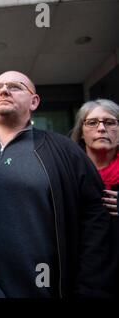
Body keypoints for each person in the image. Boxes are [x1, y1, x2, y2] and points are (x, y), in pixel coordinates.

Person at [0, 71, 112, 298]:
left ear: (34, 101)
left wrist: (89, 289)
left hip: (43, 288)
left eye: (15, 86)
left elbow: (95, 220)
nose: (4, 91)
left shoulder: (65, 150)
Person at [71, 99, 119, 296]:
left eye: (109, 122)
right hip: (80, 277)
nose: (101, 129)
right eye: (92, 122)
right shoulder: (67, 172)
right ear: (81, 132)